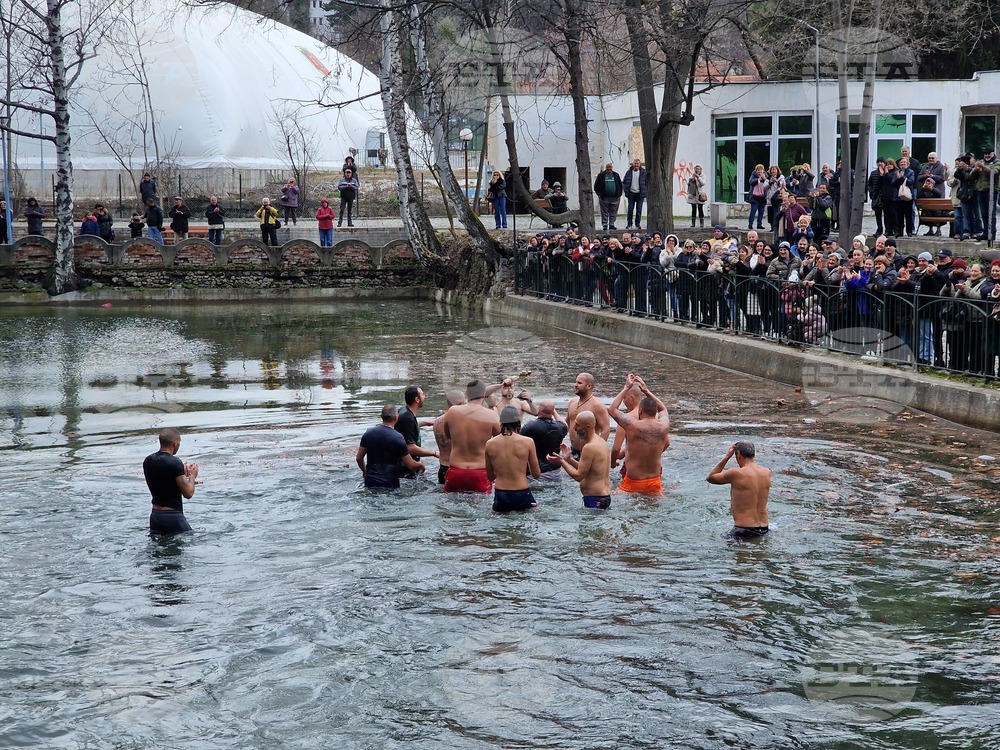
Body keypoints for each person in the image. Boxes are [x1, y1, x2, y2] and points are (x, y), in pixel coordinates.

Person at [608, 374, 670, 495]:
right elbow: (663, 409)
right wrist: (647, 391)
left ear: (640, 411)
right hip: (655, 482)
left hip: (633, 482)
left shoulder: (632, 425)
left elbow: (612, 409)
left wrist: (626, 387)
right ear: (655, 411)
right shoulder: (664, 426)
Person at [442, 379, 501, 493]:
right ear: (484, 394)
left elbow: (448, 436)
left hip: (456, 471)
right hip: (480, 472)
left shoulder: (452, 412)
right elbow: (501, 441)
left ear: (466, 394)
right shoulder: (492, 415)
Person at [706, 441, 771, 540]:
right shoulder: (766, 472)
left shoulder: (736, 473)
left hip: (744, 529)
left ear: (738, 454)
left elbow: (711, 478)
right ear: (754, 454)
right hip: (764, 528)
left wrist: (727, 456)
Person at [546, 411, 612, 509]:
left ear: (588, 427)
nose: (574, 428)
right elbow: (588, 470)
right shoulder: (601, 442)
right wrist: (568, 459)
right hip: (603, 497)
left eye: (577, 425)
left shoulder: (589, 447)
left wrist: (561, 462)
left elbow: (579, 476)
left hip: (595, 499)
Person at [485, 406, 542, 512]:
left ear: (501, 421)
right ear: (518, 421)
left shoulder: (489, 444)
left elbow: (490, 477)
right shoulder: (528, 442)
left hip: (501, 493)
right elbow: (536, 474)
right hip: (521, 491)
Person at [143, 427, 198, 534]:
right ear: (175, 443)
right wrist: (192, 476)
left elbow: (164, 480)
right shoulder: (175, 462)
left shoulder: (148, 461)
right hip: (173, 517)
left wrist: (182, 474)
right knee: (191, 539)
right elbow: (188, 493)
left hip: (155, 517)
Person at [357, 405, 425, 489]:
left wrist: (365, 471)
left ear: (381, 417)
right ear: (396, 418)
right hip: (390, 483)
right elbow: (410, 464)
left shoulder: (368, 433)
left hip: (370, 481)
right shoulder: (398, 438)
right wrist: (420, 465)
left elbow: (359, 458)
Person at [395, 385, 439, 476]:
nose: (425, 397)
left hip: (402, 463)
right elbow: (410, 448)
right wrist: (434, 453)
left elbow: (405, 428)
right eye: (422, 394)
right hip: (405, 468)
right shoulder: (408, 418)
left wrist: (426, 422)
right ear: (417, 399)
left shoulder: (404, 411)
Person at [519, 399, 568, 476]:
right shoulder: (560, 427)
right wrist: (554, 412)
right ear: (552, 411)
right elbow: (565, 425)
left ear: (539, 409)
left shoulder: (529, 427)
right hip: (554, 471)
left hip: (534, 471)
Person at [566, 372, 611, 454]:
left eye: (579, 383)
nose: (575, 385)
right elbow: (567, 423)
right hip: (573, 450)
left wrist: (597, 449)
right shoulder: (572, 402)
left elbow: (606, 429)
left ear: (589, 386)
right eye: (576, 382)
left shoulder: (597, 405)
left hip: (589, 451)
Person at [433, 390, 466, 485]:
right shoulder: (463, 422)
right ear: (461, 403)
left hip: (443, 468)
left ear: (447, 403)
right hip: (458, 469)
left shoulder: (437, 422)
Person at [594, 162, 623, 231]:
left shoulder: (616, 175)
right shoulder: (601, 175)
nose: (609, 169)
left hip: (615, 198)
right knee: (604, 212)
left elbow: (620, 185)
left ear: (612, 168)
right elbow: (596, 186)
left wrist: (619, 194)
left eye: (610, 167)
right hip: (604, 197)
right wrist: (600, 194)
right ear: (605, 168)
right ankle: (604, 224)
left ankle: (612, 224)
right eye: (607, 168)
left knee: (613, 212)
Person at [622, 158, 648, 231]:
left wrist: (645, 191)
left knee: (639, 209)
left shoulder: (643, 173)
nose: (636, 165)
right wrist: (626, 190)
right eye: (635, 163)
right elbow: (624, 182)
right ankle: (629, 224)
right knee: (630, 209)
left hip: (640, 194)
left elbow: (646, 183)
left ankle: (637, 224)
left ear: (639, 164)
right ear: (633, 164)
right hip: (631, 193)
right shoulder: (629, 172)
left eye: (637, 163)